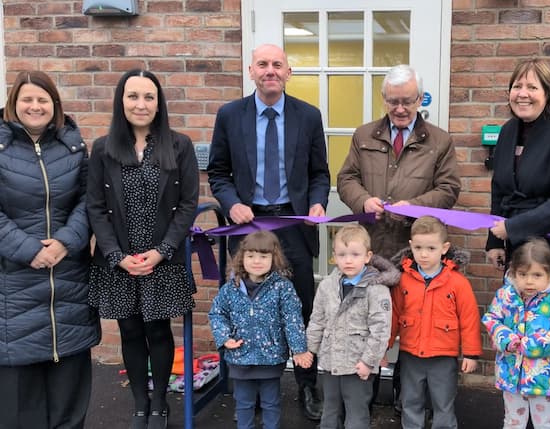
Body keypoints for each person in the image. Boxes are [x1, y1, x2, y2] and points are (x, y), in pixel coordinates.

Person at [207, 43, 330, 421]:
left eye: (278, 64)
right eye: (263, 64)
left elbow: (319, 173)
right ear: (251, 71)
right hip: (247, 224)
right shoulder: (230, 115)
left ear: (289, 72)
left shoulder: (308, 116)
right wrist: (231, 203)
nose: (270, 70)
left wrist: (317, 202)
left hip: (293, 224)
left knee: (302, 305)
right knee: (245, 306)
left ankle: (307, 384)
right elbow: (217, 172)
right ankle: (248, 385)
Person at [337, 63, 461, 411]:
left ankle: (407, 396)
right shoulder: (363, 136)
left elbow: (449, 189)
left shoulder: (440, 140)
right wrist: (363, 200)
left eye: (408, 100)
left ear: (420, 98)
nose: (401, 108)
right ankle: (363, 394)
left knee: (411, 322)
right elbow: (346, 179)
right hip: (371, 247)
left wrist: (415, 207)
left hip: (416, 248)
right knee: (368, 321)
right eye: (394, 101)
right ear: (383, 99)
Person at [87, 69, 199, 429]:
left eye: (148, 97)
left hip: (161, 259)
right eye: (133, 96)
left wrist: (163, 250)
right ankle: (140, 402)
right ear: (121, 101)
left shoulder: (179, 145)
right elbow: (94, 206)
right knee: (130, 331)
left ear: (158, 103)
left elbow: (187, 204)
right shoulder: (104, 148)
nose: (141, 104)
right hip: (119, 260)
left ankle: (160, 402)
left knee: (158, 330)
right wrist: (117, 257)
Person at [485, 58, 550, 427]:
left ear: (548, 92)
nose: (523, 94)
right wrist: (494, 241)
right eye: (517, 86)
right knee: (518, 329)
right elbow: (500, 190)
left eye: (532, 87)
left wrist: (513, 228)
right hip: (519, 247)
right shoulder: (507, 131)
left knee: (548, 345)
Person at [0, 71, 100, 429]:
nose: (35, 106)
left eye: (43, 99)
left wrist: (66, 242)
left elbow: (89, 200)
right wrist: (29, 250)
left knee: (69, 409)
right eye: (27, 99)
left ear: (54, 104)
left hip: (68, 284)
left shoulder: (72, 145)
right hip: (15, 288)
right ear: (14, 103)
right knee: (19, 412)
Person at [208, 231, 314, 429]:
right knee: (244, 404)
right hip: (240, 356)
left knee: (271, 403)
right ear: (242, 258)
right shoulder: (231, 288)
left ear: (274, 258)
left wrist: (299, 349)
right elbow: (217, 314)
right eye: (251, 256)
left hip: (271, 357)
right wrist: (224, 338)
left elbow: (292, 319)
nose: (257, 261)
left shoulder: (283, 287)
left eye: (263, 256)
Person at [386, 215, 482, 429]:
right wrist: (384, 347)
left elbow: (469, 318)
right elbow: (393, 313)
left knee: (443, 403)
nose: (424, 254)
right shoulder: (403, 280)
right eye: (418, 247)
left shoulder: (458, 283)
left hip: (443, 357)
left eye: (431, 248)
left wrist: (471, 353)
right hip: (410, 354)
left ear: (444, 247)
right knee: (410, 401)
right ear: (411, 246)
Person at [305, 224, 397, 429]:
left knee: (356, 414)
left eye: (355, 254)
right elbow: (317, 319)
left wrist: (368, 361)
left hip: (358, 365)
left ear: (367, 256)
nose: (348, 260)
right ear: (334, 256)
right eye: (342, 254)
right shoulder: (328, 285)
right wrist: (309, 349)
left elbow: (381, 329)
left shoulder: (377, 289)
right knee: (330, 411)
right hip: (330, 362)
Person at [482, 238, 550, 429]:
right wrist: (506, 338)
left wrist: (532, 345)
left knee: (545, 424)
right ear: (514, 272)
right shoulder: (506, 294)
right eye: (522, 274)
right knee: (513, 422)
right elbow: (492, 318)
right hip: (511, 373)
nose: (529, 281)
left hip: (546, 376)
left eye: (537, 275)